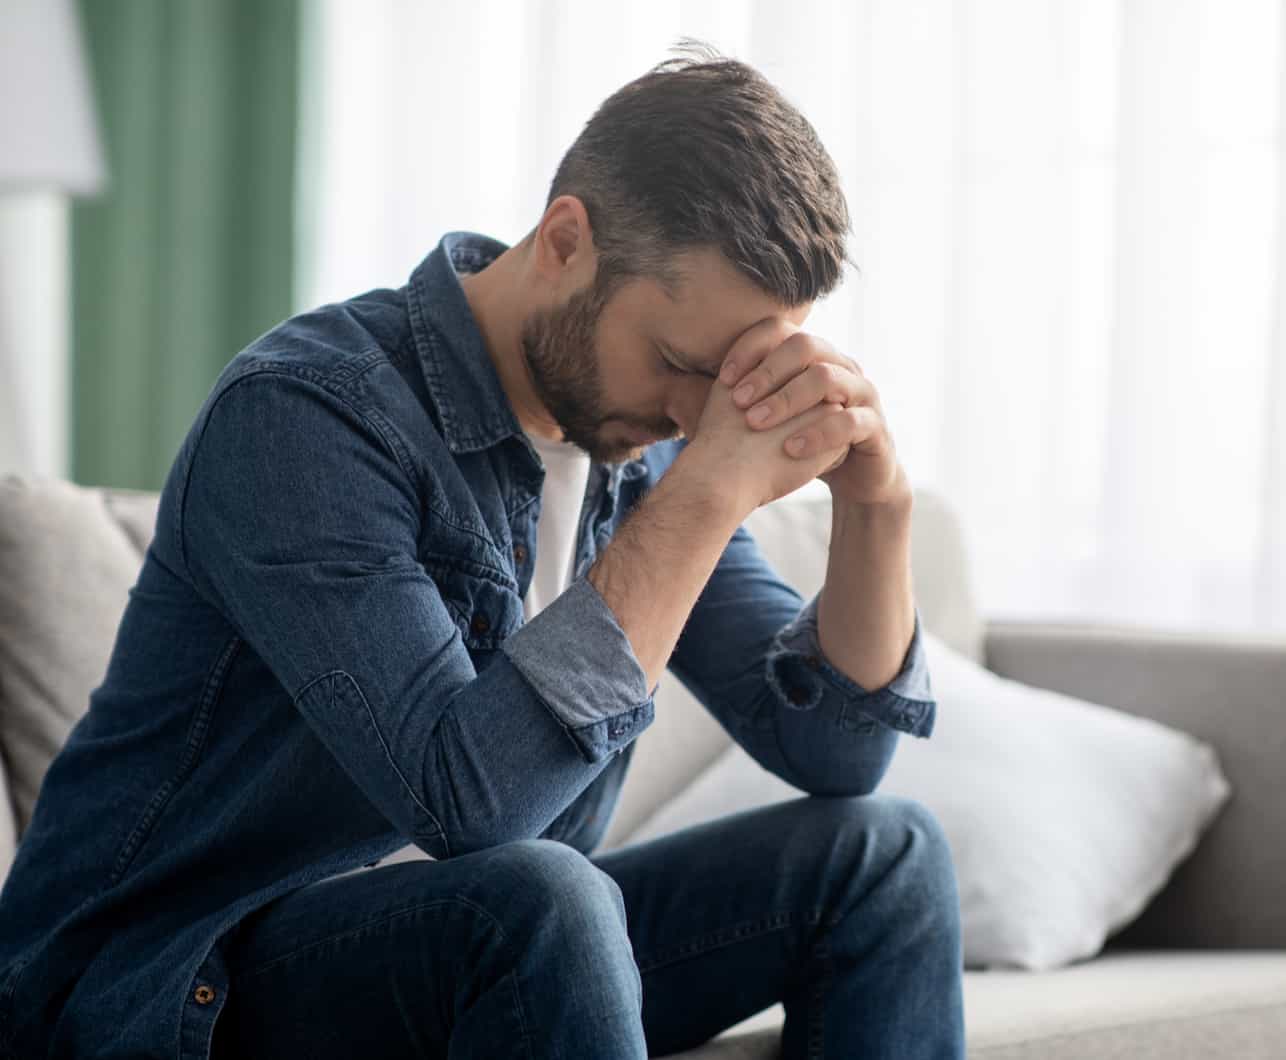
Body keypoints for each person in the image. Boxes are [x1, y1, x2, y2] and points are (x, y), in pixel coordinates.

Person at [0, 44, 965, 1060]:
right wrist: (710, 490)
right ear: (564, 239)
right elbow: (471, 804)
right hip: (168, 982)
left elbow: (838, 751)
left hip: (468, 946)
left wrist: (877, 501)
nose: (695, 417)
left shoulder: (631, 453)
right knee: (540, 896)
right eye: (682, 364)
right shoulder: (307, 414)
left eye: (729, 379)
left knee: (882, 854)